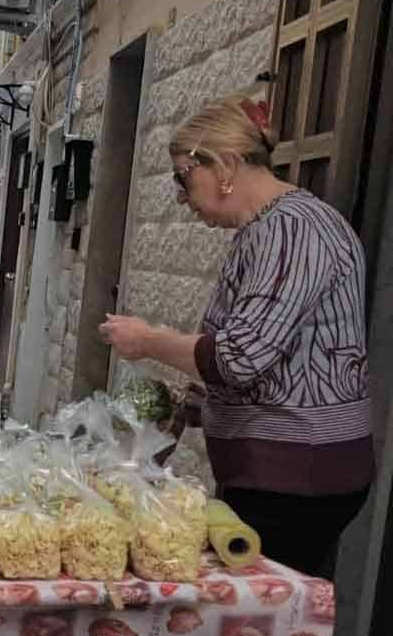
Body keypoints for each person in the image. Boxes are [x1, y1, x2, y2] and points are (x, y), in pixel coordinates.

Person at [99, 93, 375, 581]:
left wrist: (149, 341)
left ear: (224, 164)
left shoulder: (293, 230)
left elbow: (240, 357)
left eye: (183, 178)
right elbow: (277, 352)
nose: (182, 198)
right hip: (281, 472)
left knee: (262, 606)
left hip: (297, 476)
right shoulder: (269, 229)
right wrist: (198, 404)